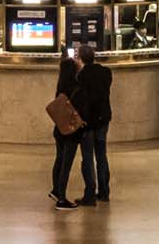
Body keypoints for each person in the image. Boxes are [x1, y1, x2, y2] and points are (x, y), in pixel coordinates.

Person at [50, 49, 88, 210]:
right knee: (66, 164)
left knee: (59, 160)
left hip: (59, 129)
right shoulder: (76, 87)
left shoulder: (60, 88)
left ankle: (56, 190)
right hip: (71, 131)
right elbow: (79, 109)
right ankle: (62, 199)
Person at [76, 44, 113, 203]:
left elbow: (81, 98)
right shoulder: (106, 72)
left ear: (80, 58)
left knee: (87, 157)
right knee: (101, 155)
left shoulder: (81, 76)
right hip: (103, 118)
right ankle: (104, 191)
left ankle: (90, 194)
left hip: (88, 120)